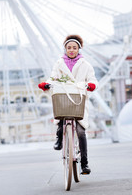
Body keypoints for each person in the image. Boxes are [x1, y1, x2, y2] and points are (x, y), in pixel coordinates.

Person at [38, 34, 98, 175]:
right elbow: (53, 78)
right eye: (69, 47)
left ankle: (84, 163)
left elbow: (92, 79)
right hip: (64, 97)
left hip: (78, 100)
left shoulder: (85, 64)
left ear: (79, 49)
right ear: (65, 49)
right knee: (60, 116)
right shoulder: (59, 64)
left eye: (74, 48)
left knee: (81, 132)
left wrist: (91, 85)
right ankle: (59, 138)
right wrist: (46, 84)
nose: (71, 50)